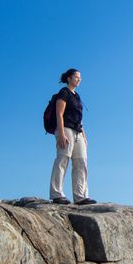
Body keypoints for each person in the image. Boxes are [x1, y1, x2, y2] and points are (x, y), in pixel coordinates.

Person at [49, 68, 96, 205]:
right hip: (66, 129)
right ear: (69, 78)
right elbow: (59, 114)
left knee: (81, 162)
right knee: (63, 159)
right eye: (76, 77)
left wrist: (84, 135)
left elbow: (79, 118)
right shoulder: (64, 93)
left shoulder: (77, 96)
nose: (79, 80)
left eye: (80, 78)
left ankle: (80, 196)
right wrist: (61, 134)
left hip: (78, 132)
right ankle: (56, 194)